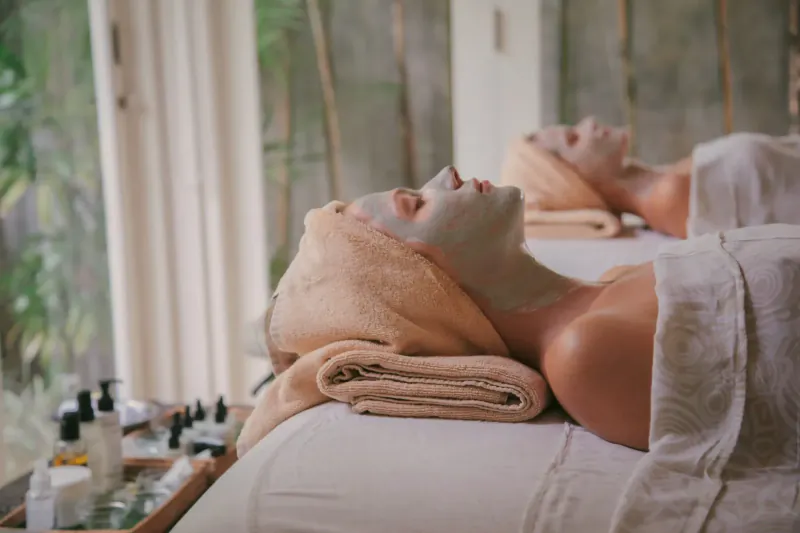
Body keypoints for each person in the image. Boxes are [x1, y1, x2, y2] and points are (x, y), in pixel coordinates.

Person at [506, 116, 800, 239]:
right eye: (574, 138)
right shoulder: (671, 199)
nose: (589, 123)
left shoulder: (665, 179)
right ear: (571, 184)